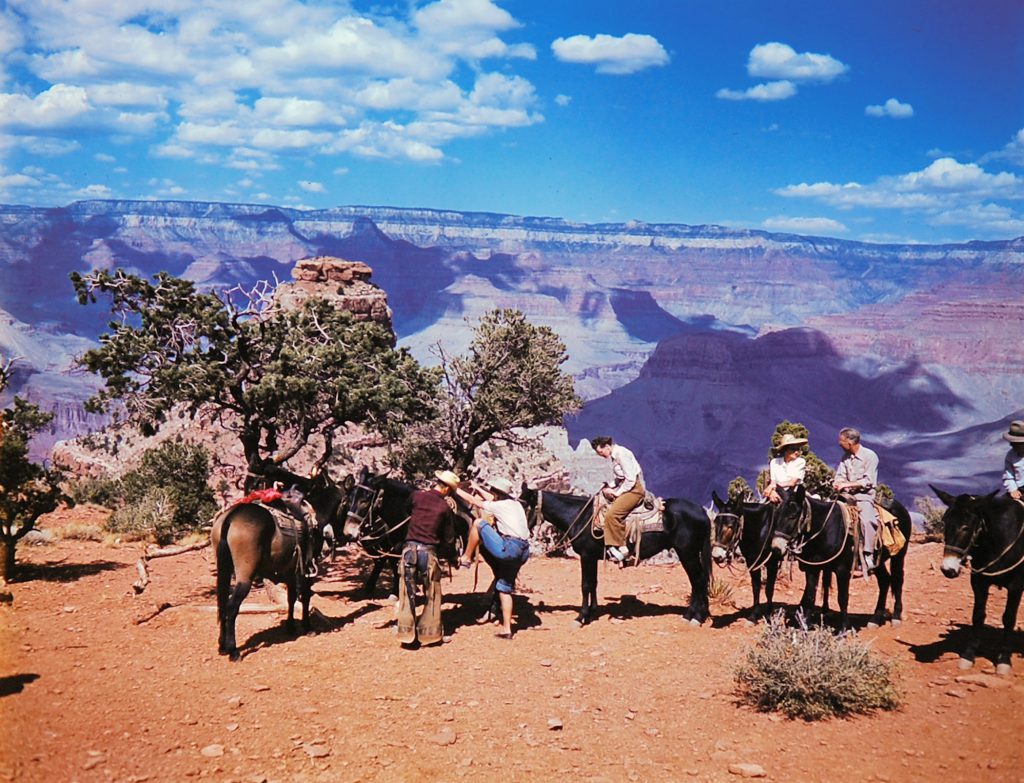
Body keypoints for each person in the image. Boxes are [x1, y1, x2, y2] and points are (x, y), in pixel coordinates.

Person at [455, 477, 531, 639]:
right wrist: (477, 486)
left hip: (510, 547)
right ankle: (507, 629)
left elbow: (474, 501)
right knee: (505, 588)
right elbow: (491, 499)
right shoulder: (515, 504)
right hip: (524, 551)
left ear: (497, 493)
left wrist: (455, 489)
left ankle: (467, 557)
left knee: (478, 523)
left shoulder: (499, 505)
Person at [396, 469, 459, 647]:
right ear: (446, 489)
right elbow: (449, 538)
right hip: (429, 553)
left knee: (406, 592)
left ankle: (406, 633)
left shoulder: (416, 497)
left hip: (408, 551)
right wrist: (452, 556)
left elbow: (407, 511)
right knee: (432, 593)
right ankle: (430, 634)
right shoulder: (445, 508)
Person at [591, 435, 645, 564]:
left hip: (634, 490)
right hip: (626, 486)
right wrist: (610, 485)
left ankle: (621, 548)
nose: (601, 455)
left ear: (607, 446)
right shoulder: (615, 456)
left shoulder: (622, 454)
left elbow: (631, 479)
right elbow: (621, 477)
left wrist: (616, 493)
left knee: (612, 514)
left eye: (601, 452)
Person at [832, 427, 879, 572]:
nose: (839, 444)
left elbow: (868, 481)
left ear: (850, 442)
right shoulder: (845, 458)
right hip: (846, 495)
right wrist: (837, 483)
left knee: (867, 520)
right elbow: (840, 474)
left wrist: (848, 484)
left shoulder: (870, 456)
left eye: (842, 441)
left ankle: (868, 554)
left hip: (863, 496)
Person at [763, 433, 807, 504]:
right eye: (793, 449)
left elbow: (792, 483)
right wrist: (772, 492)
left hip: (794, 495)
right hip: (776, 492)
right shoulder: (774, 462)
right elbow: (773, 482)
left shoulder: (800, 462)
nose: (796, 452)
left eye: (797, 449)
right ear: (785, 450)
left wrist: (772, 487)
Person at [1002, 420, 1024, 501]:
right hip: (1019, 490)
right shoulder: (1011, 455)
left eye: (1017, 443)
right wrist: (1013, 490)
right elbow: (1008, 476)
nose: (1012, 445)